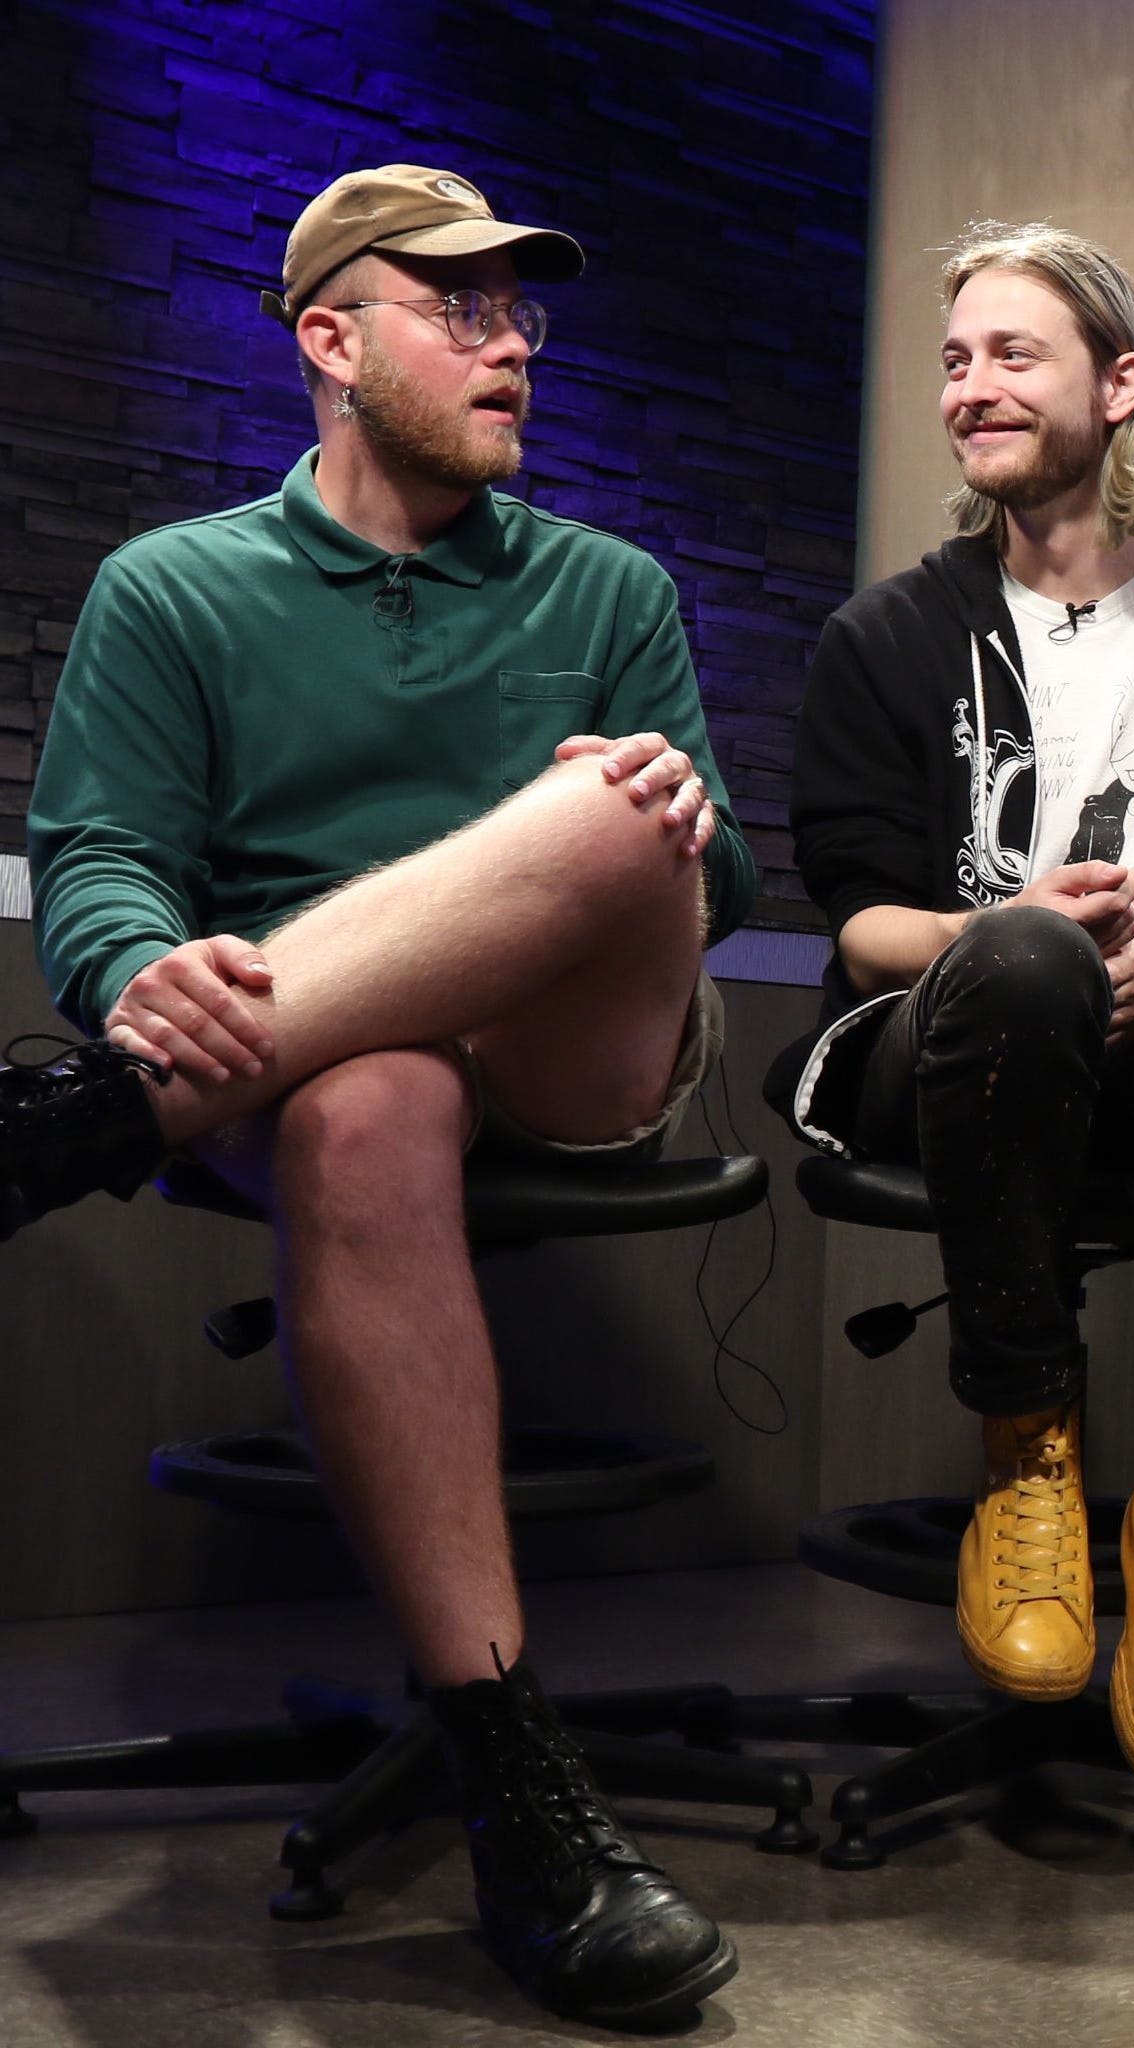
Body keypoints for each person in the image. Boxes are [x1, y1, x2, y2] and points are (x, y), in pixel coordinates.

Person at [8, 165, 749, 2028]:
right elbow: (101, 854)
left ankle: (86, 1127)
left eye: (525, 319)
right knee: (368, 1102)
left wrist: (642, 835)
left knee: (623, 803)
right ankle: (518, 1787)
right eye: (463, 309)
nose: (514, 348)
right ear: (330, 340)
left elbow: (706, 890)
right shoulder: (175, 588)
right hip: (308, 1064)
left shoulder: (613, 585)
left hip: (585, 1044)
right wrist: (129, 975)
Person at [776, 221, 1134, 1789]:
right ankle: (1028, 1448)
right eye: (954, 361)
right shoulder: (885, 635)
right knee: (1022, 957)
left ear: (1121, 383)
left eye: (1011, 354)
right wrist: (991, 928)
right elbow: (861, 912)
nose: (970, 388)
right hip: (950, 1039)